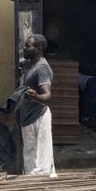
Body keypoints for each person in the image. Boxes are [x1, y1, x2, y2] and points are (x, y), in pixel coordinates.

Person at [19, 34, 56, 177]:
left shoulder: (42, 68)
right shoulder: (30, 64)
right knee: (30, 153)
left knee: (41, 156)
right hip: (28, 115)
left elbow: (47, 96)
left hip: (38, 115)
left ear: (39, 49)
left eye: (28, 46)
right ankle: (31, 180)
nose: (24, 48)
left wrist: (36, 96)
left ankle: (40, 185)